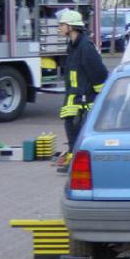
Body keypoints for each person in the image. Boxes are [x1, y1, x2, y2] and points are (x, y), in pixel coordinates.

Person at [57, 10, 108, 172]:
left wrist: (96, 96)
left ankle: (77, 161)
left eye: (62, 25)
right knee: (71, 127)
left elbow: (99, 74)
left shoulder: (86, 47)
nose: (60, 28)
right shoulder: (73, 46)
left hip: (84, 98)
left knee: (79, 130)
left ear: (71, 27)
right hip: (74, 96)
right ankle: (73, 157)